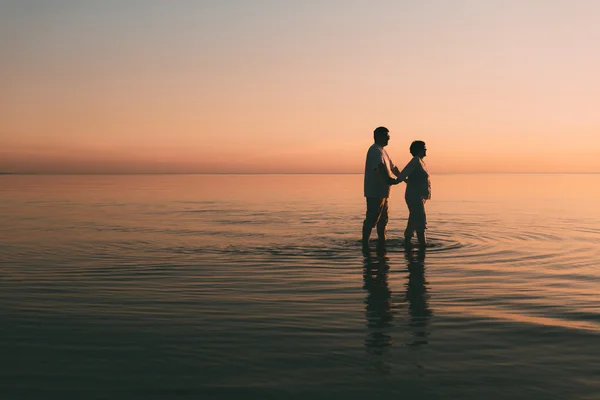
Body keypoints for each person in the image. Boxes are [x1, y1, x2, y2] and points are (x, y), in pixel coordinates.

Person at [362, 126, 402, 249]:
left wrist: (404, 178)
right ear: (379, 136)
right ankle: (365, 243)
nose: (389, 139)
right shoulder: (375, 150)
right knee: (372, 218)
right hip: (375, 192)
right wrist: (388, 179)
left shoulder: (383, 151)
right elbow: (380, 166)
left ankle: (381, 242)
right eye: (387, 136)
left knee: (383, 220)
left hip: (383, 192)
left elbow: (393, 167)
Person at [394, 140, 431, 248]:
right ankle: (422, 244)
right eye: (424, 148)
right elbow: (403, 174)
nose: (426, 150)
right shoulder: (415, 161)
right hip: (414, 196)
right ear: (419, 150)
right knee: (420, 219)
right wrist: (395, 181)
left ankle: (407, 241)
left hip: (419, 196)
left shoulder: (420, 162)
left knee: (414, 219)